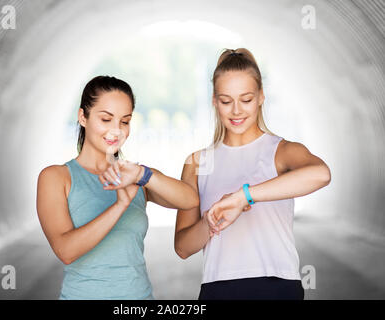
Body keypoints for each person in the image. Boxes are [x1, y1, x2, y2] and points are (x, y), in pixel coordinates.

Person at [174, 48, 331, 300]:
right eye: (226, 101)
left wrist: (242, 197)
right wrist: (210, 222)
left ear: (260, 97)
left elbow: (321, 174)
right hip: (218, 289)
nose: (236, 111)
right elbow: (182, 247)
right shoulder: (197, 162)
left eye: (246, 99)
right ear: (214, 101)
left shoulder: (282, 151)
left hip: (277, 287)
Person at [36, 75, 199, 299]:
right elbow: (66, 251)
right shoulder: (56, 177)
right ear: (83, 117)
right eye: (106, 119)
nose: (116, 130)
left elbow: (190, 200)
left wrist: (143, 175)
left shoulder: (136, 175)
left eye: (124, 121)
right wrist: (120, 205)